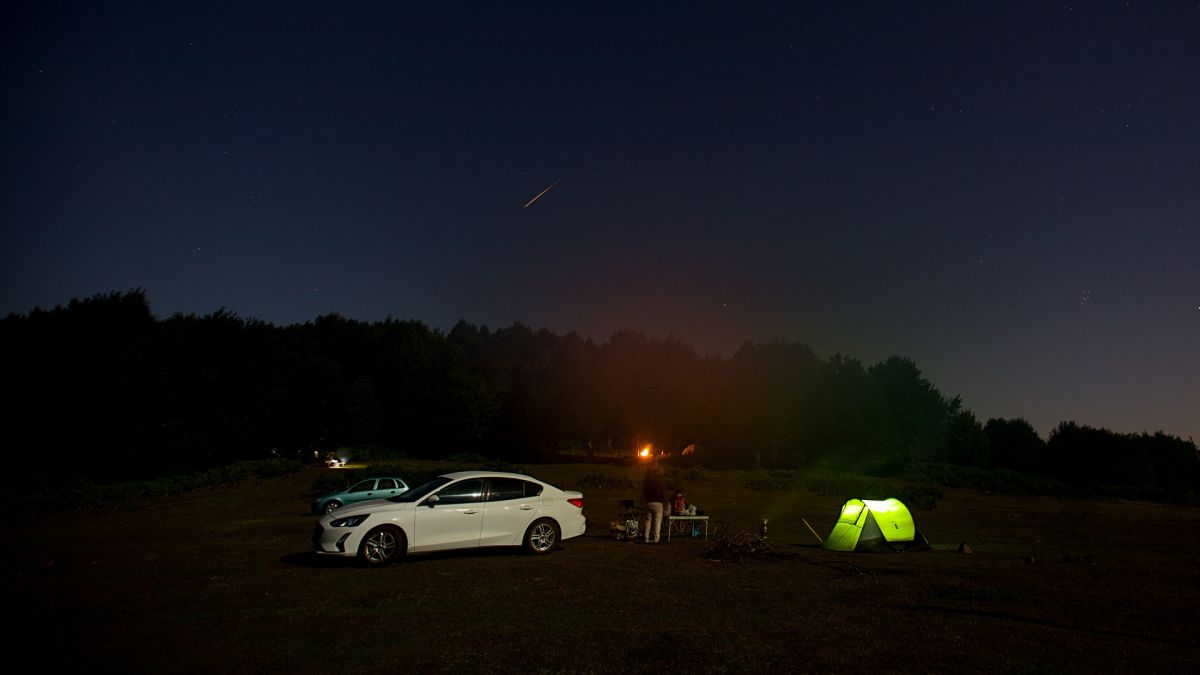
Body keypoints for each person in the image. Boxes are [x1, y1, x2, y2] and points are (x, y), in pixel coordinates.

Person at [641, 464, 666, 543]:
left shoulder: (648, 483)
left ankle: (646, 538)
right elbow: (663, 494)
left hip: (649, 502)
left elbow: (644, 493)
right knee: (657, 522)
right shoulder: (660, 483)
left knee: (648, 521)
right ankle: (656, 539)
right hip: (658, 503)